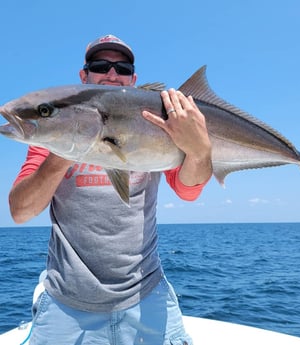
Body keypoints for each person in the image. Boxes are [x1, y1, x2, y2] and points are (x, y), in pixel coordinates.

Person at [9, 34, 212, 345]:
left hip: (147, 295)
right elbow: (20, 211)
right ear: (84, 75)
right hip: (67, 302)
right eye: (101, 65)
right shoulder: (48, 141)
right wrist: (66, 149)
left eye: (123, 68)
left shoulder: (163, 124)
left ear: (133, 79)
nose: (112, 75)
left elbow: (189, 191)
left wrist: (198, 150)